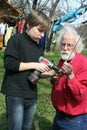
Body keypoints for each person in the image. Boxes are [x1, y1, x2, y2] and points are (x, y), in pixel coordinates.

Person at [1, 10, 51, 130]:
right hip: (16, 94)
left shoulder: (39, 48)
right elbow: (10, 64)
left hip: (32, 95)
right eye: (40, 30)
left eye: (44, 32)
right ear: (28, 24)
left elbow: (37, 72)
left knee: (26, 128)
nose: (42, 35)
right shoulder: (16, 40)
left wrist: (50, 73)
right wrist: (35, 65)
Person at [50, 25, 87, 130]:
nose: (65, 48)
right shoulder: (64, 59)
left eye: (70, 45)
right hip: (59, 115)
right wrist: (54, 78)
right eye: (63, 44)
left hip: (74, 120)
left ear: (77, 47)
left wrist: (71, 76)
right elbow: (58, 84)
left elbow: (80, 95)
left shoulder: (84, 63)